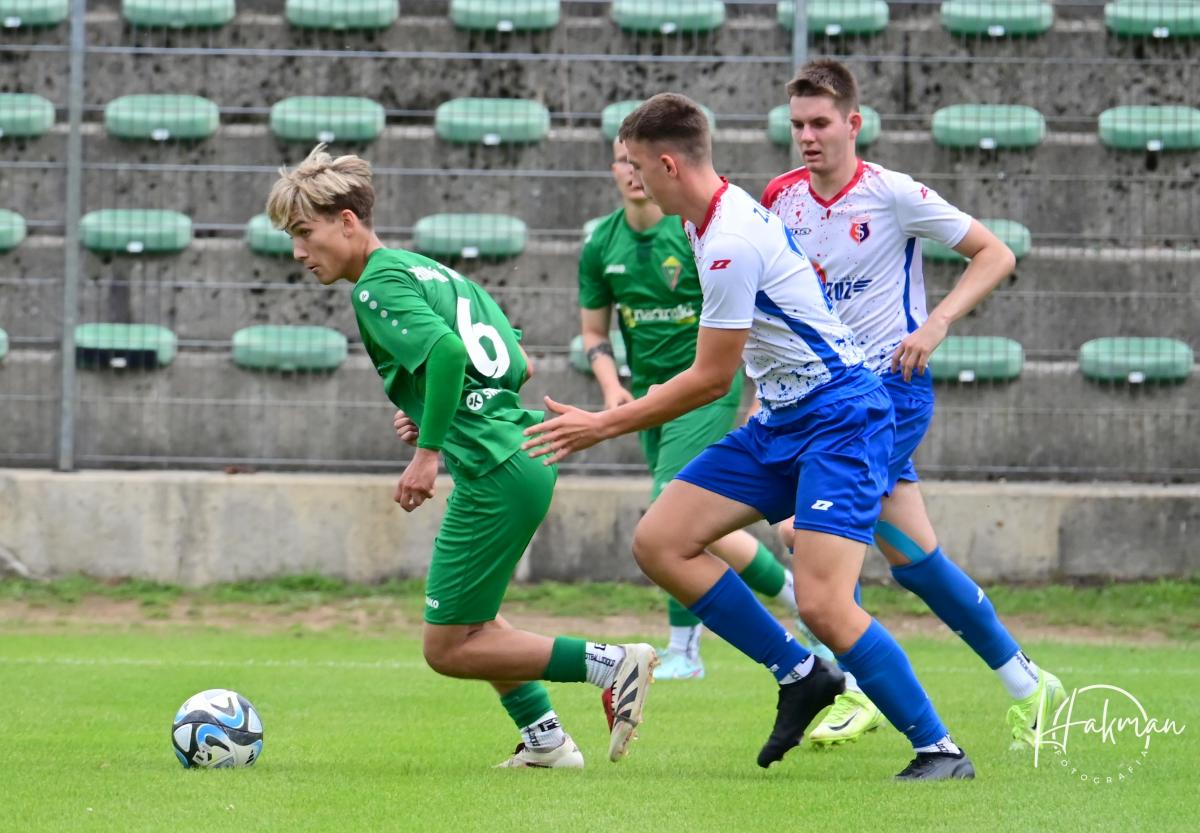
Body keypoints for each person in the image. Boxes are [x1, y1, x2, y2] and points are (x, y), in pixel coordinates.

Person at [525, 94, 974, 780]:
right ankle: (800, 674)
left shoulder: (729, 240)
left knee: (824, 603)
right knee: (660, 541)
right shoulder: (704, 222)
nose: (632, 179)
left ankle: (940, 749)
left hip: (841, 417)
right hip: (783, 420)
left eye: (638, 166)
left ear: (669, 165)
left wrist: (601, 423)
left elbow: (711, 380)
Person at [265, 144, 657, 769]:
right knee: (477, 622)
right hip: (520, 455)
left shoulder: (375, 287)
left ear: (347, 221)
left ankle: (612, 665)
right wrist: (431, 408)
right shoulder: (432, 272)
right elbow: (518, 363)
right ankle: (546, 743)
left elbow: (447, 353)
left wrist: (428, 452)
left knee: (446, 648)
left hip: (494, 471)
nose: (297, 251)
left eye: (304, 233)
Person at [761, 58, 1064, 751]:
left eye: (820, 123)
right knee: (913, 559)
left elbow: (994, 254)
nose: (807, 136)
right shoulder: (780, 197)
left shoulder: (892, 194)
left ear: (853, 123)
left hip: (888, 394)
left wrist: (936, 323)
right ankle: (1028, 681)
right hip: (820, 399)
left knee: (809, 532)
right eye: (798, 124)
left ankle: (858, 690)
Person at [578, 136, 826, 680]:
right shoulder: (601, 244)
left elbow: (744, 317)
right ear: (613, 169)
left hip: (699, 392)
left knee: (665, 511)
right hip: (649, 397)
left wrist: (756, 390)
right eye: (623, 162)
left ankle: (684, 650)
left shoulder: (694, 233)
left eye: (639, 162)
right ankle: (796, 597)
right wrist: (611, 387)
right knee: (697, 527)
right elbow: (594, 331)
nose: (633, 172)